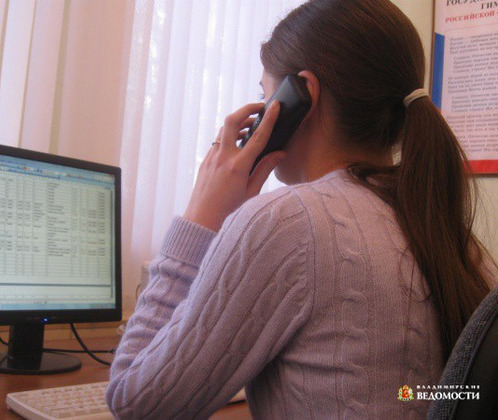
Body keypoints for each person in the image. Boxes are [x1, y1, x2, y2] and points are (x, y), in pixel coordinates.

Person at [106, 0, 495, 418]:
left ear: (303, 95)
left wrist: (201, 218)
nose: (260, 109)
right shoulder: (451, 235)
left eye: (265, 95)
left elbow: (135, 403)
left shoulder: (288, 222)